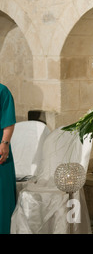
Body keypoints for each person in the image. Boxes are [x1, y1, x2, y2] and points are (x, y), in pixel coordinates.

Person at [0, 83, 16, 234]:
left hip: (0, 149)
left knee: (2, 197)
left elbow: (8, 119)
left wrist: (5, 143)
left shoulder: (2, 90)